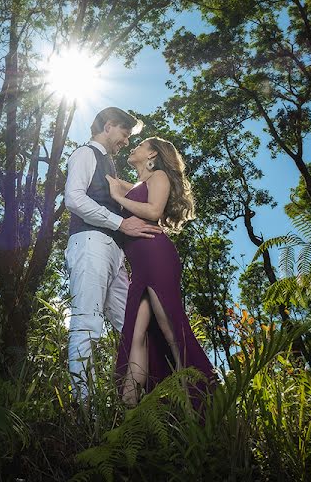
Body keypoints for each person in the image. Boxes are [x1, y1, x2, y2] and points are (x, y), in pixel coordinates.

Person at [105, 136, 216, 408]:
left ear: (152, 153)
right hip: (140, 267)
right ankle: (129, 410)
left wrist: (118, 196)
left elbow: (153, 210)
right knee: (136, 336)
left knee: (171, 333)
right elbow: (111, 180)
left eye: (140, 145)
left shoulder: (160, 177)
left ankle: (199, 406)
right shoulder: (139, 185)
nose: (134, 147)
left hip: (157, 258)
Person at [64, 107, 163, 403]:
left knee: (133, 326)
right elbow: (74, 198)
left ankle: (146, 406)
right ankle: (86, 414)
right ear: (109, 126)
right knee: (86, 324)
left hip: (114, 255)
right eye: (124, 133)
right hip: (90, 244)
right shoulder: (85, 154)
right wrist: (120, 223)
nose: (125, 141)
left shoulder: (111, 166)